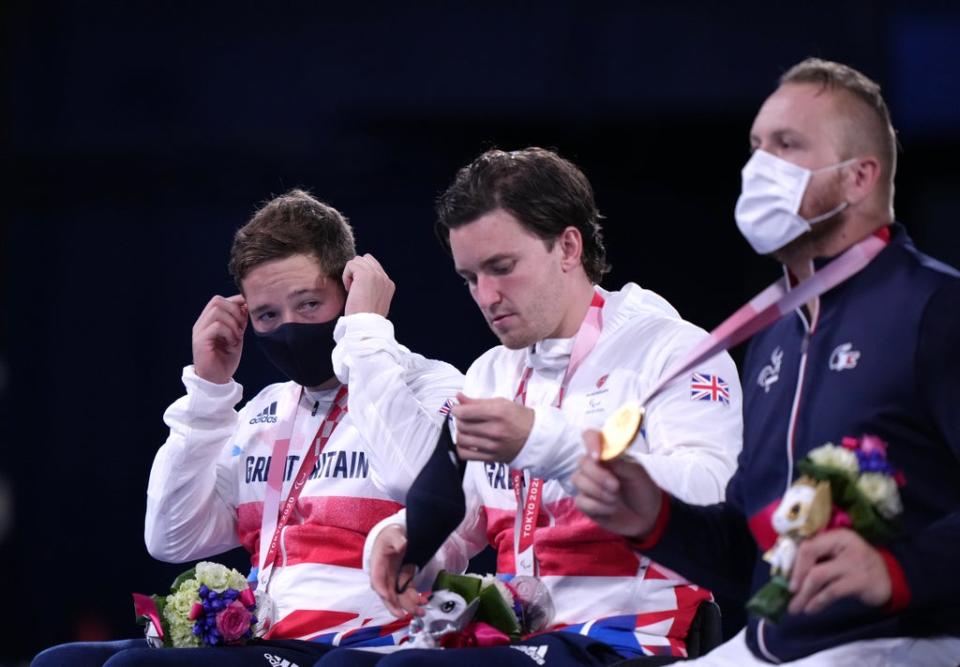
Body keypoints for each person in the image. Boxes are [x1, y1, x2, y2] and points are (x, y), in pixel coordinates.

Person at [572, 58, 960, 666]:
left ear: (859, 177)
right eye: (756, 146)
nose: (759, 168)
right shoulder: (777, 339)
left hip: (907, 642)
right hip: (775, 645)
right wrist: (653, 518)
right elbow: (752, 561)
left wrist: (898, 571)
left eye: (787, 145)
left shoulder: (936, 309)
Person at [325, 147, 744, 666]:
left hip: (631, 641)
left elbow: (715, 499)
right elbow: (469, 519)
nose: (486, 295)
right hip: (521, 640)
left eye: (502, 268)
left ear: (568, 246)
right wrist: (409, 542)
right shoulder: (491, 372)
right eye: (470, 278)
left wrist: (552, 445)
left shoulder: (673, 352)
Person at [32, 190, 464, 667]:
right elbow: (173, 537)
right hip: (268, 641)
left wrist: (365, 334)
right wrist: (209, 392)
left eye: (309, 304)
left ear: (349, 289)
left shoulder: (428, 386)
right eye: (267, 316)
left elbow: (421, 483)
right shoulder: (268, 410)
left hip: (364, 646)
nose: (290, 328)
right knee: (62, 661)